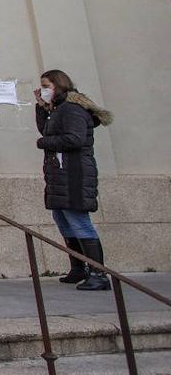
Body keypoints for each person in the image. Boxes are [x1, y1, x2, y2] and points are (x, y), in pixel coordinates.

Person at [35, 69, 114, 291]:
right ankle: (78, 268)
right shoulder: (57, 110)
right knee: (63, 218)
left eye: (46, 86)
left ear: (58, 86)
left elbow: (75, 139)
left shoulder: (72, 109)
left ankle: (98, 273)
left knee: (79, 222)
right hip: (61, 175)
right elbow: (45, 130)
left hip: (75, 174)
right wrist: (41, 107)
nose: (43, 90)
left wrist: (44, 143)